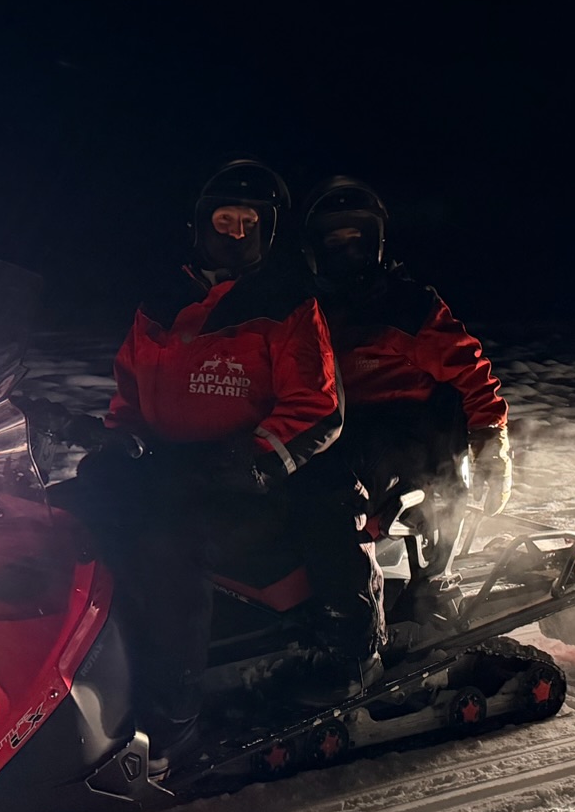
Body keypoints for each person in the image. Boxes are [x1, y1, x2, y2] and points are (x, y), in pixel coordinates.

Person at [63, 160, 382, 762]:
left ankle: (172, 717)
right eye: (224, 219)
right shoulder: (159, 304)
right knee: (64, 518)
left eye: (249, 222)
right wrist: (114, 439)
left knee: (164, 547)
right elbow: (129, 393)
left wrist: (256, 457)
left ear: (267, 230)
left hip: (250, 478)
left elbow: (316, 404)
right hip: (170, 467)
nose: (235, 232)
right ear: (201, 224)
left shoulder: (286, 302)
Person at [299, 177, 511, 586]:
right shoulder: (304, 308)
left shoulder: (407, 306)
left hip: (399, 443)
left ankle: (351, 620)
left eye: (356, 238)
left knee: (329, 501)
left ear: (375, 242)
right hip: (327, 433)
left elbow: (471, 372)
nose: (346, 250)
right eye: (334, 240)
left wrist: (491, 441)